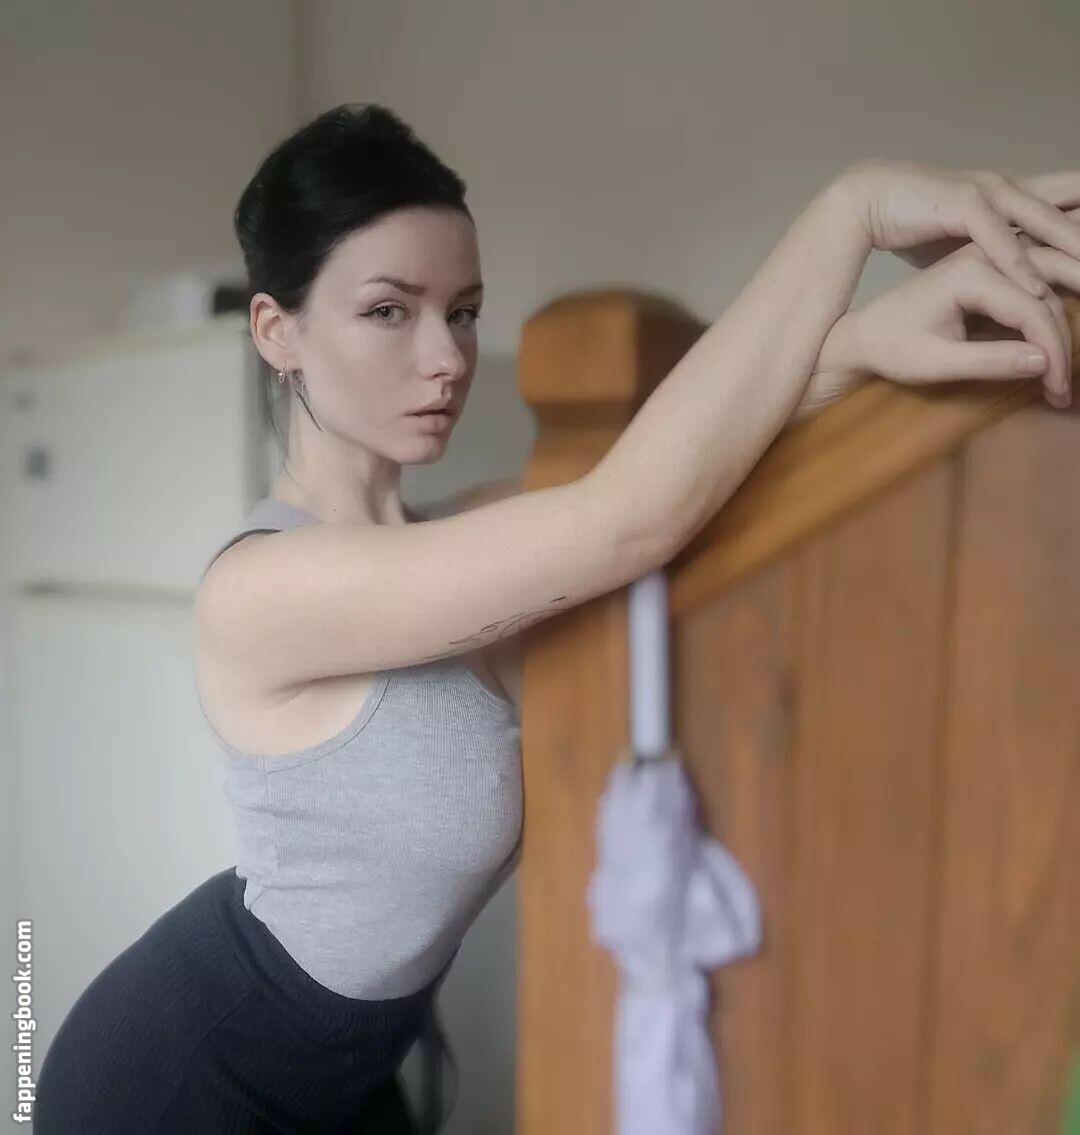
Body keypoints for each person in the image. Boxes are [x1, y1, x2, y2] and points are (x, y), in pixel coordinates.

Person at [31, 103, 1080, 1133]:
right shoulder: (263, 589)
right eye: (390, 311)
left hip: (347, 1074)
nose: (447, 356)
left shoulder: (452, 541)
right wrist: (854, 210)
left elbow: (683, 459)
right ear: (278, 332)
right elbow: (630, 514)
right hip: (181, 1084)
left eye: (464, 311)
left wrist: (858, 348)